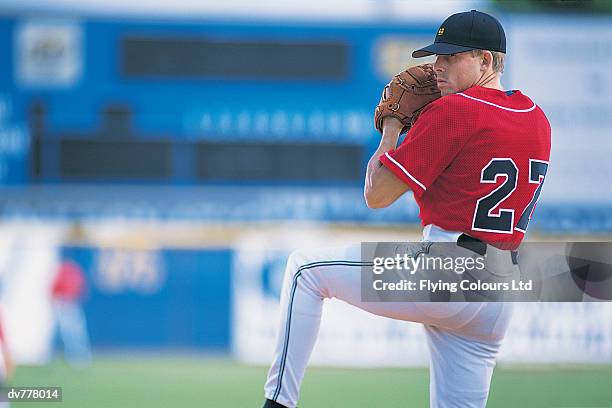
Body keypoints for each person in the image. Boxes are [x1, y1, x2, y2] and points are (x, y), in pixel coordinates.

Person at [262, 10, 551, 408]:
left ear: (486, 60)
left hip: (447, 271)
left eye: (452, 57)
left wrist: (393, 127)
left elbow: (377, 195)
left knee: (303, 269)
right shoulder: (537, 118)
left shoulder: (454, 111)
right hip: (499, 290)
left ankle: (277, 403)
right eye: (437, 56)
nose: (437, 66)